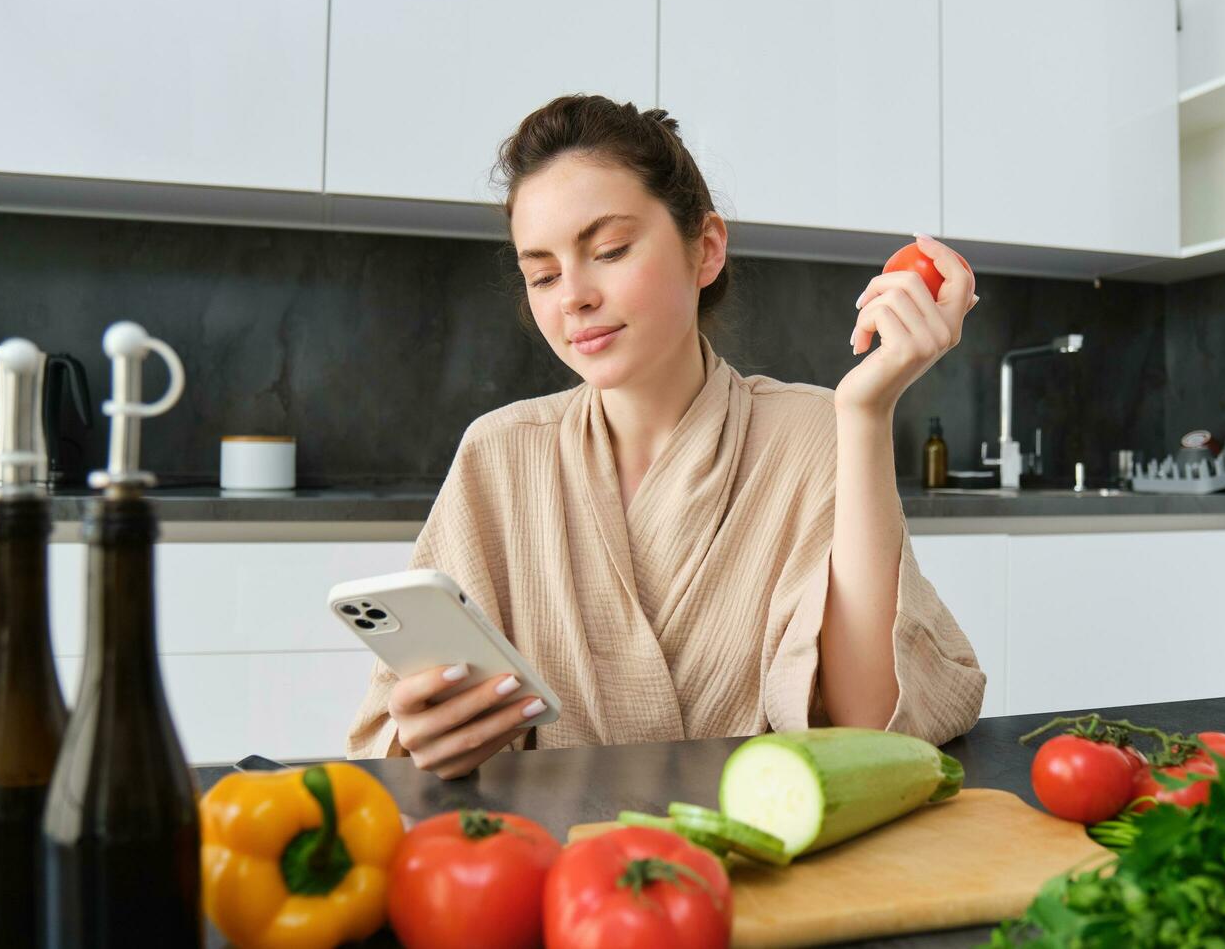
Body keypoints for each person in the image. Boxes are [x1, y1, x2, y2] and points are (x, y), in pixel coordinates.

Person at [347, 94, 985, 779]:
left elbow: (871, 726)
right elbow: (401, 735)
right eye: (543, 274)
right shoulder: (498, 454)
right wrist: (429, 737)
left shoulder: (816, 433)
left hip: (768, 856)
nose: (574, 297)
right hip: (557, 867)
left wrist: (866, 413)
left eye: (610, 250)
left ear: (705, 249)